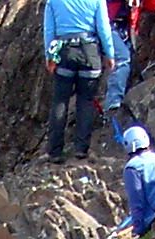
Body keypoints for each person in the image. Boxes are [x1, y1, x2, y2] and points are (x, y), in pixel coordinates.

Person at [42, 0, 115, 162]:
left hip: (64, 52)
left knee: (60, 101)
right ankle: (81, 148)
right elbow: (104, 28)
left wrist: (50, 56)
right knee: (86, 101)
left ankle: (55, 151)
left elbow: (49, 31)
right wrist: (109, 54)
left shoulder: (52, 2)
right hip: (89, 52)